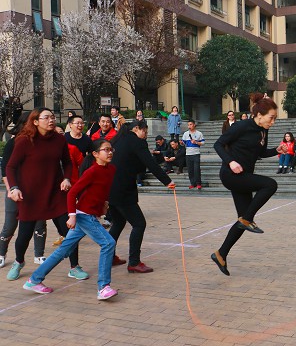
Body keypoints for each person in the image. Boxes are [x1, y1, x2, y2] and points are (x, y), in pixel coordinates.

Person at [23, 139, 118, 300]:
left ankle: (34, 280)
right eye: (105, 150)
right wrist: (72, 215)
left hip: (90, 214)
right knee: (108, 243)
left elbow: (101, 191)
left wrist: (104, 204)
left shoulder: (111, 169)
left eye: (111, 149)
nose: (109, 152)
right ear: (95, 154)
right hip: (83, 215)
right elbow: (72, 192)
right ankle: (103, 287)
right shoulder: (92, 171)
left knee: (63, 250)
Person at [5, 108, 88, 281]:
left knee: (69, 231)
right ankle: (19, 262)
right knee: (24, 235)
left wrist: (66, 178)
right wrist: (13, 188)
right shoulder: (24, 140)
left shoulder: (59, 139)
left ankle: (74, 266)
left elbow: (67, 162)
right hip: (30, 196)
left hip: (55, 193)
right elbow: (10, 167)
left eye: (52, 117)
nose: (51, 120)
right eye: (46, 117)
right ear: (35, 121)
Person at [212, 93, 286, 275]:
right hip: (231, 174)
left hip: (244, 176)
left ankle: (221, 254)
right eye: (272, 118)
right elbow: (218, 144)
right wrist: (230, 162)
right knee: (270, 184)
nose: (273, 122)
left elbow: (259, 152)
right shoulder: (241, 126)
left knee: (242, 220)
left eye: (275, 118)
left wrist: (275, 151)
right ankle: (248, 219)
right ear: (259, 115)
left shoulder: (263, 130)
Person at [108, 121, 175, 273]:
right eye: (145, 131)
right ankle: (134, 262)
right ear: (137, 129)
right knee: (139, 224)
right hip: (123, 189)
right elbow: (151, 164)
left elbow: (138, 164)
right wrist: (167, 181)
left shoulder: (118, 139)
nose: (145, 135)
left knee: (118, 223)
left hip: (111, 188)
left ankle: (109, 256)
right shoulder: (136, 141)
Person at [0, 112, 47, 269]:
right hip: (15, 190)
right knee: (10, 225)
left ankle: (39, 255)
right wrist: (10, 189)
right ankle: (2, 254)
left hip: (36, 191)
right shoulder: (14, 143)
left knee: (39, 223)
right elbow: (5, 169)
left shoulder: (40, 142)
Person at [182, 119, 205, 189]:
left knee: (196, 169)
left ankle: (198, 183)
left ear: (194, 125)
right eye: (188, 125)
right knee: (190, 170)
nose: (189, 126)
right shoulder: (186, 134)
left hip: (196, 153)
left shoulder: (199, 133)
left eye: (191, 124)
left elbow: (203, 142)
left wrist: (196, 142)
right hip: (188, 154)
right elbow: (184, 143)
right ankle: (192, 183)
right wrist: (182, 143)